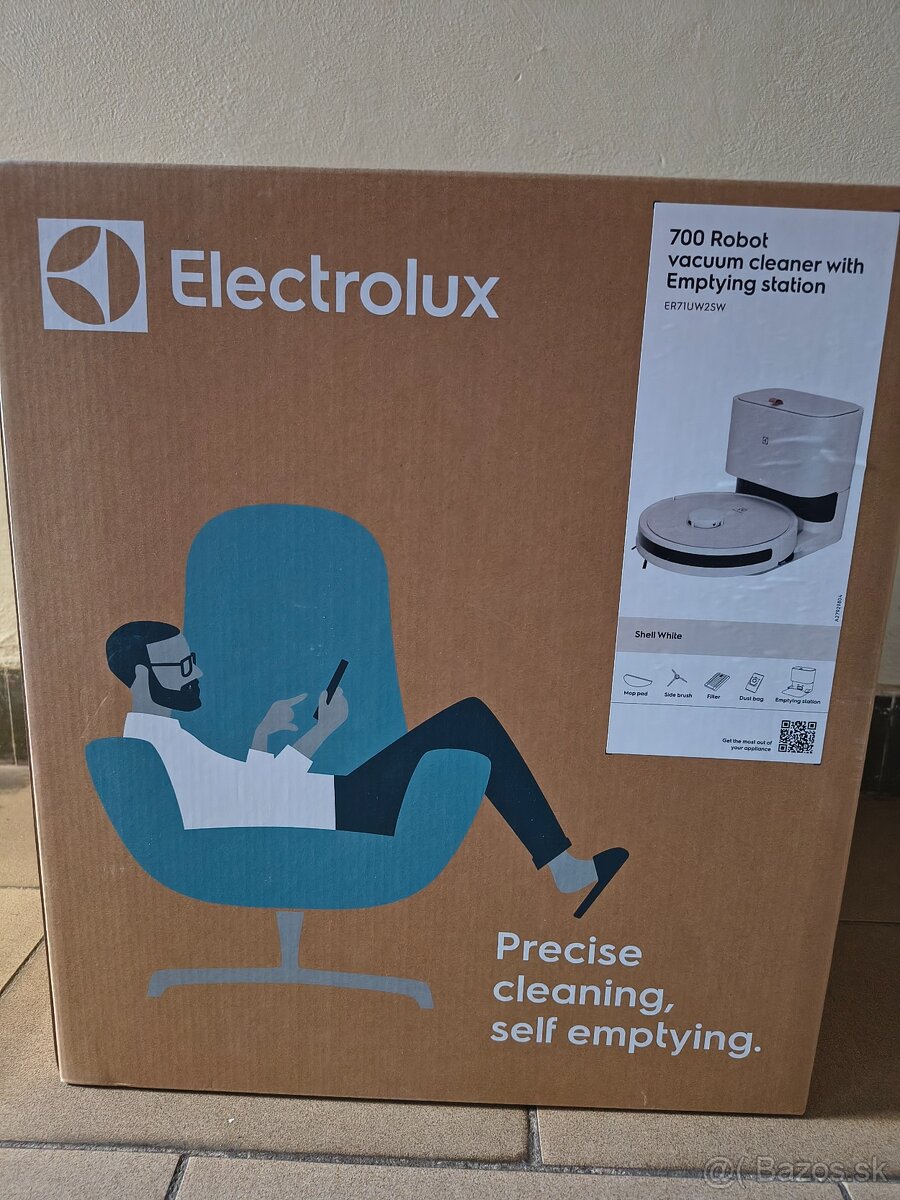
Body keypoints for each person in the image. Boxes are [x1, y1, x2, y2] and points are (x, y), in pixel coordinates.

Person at [106, 621, 628, 917]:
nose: (196, 672)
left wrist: (263, 738)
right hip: (334, 814)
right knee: (470, 720)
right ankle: (564, 868)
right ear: (143, 677)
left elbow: (242, 795)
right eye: (182, 666)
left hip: (328, 803)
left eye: (193, 659)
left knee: (469, 722)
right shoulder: (158, 746)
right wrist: (321, 732)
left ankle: (563, 867)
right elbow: (253, 808)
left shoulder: (159, 740)